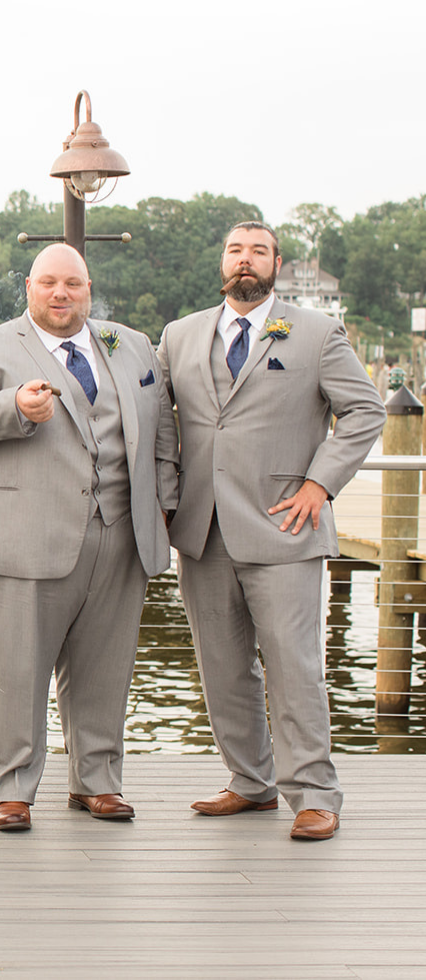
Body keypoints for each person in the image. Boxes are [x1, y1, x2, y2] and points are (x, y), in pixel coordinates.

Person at [158, 221, 384, 841]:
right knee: (223, 667)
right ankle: (250, 783)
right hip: (202, 529)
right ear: (222, 262)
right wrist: (168, 500)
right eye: (235, 250)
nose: (245, 260)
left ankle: (314, 793)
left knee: (294, 666)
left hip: (286, 524)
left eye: (258, 251)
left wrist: (320, 484)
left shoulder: (315, 333)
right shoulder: (179, 336)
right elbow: (162, 426)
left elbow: (365, 409)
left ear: (277, 264)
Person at [0, 243, 177, 832]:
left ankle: (97, 782)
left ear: (88, 288)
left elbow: (163, 431)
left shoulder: (133, 346)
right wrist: (13, 407)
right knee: (15, 672)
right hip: (22, 537)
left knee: (106, 669)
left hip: (119, 535)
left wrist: (165, 506)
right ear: (28, 287)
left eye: (72, 283)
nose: (60, 294)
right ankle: (13, 790)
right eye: (48, 282)